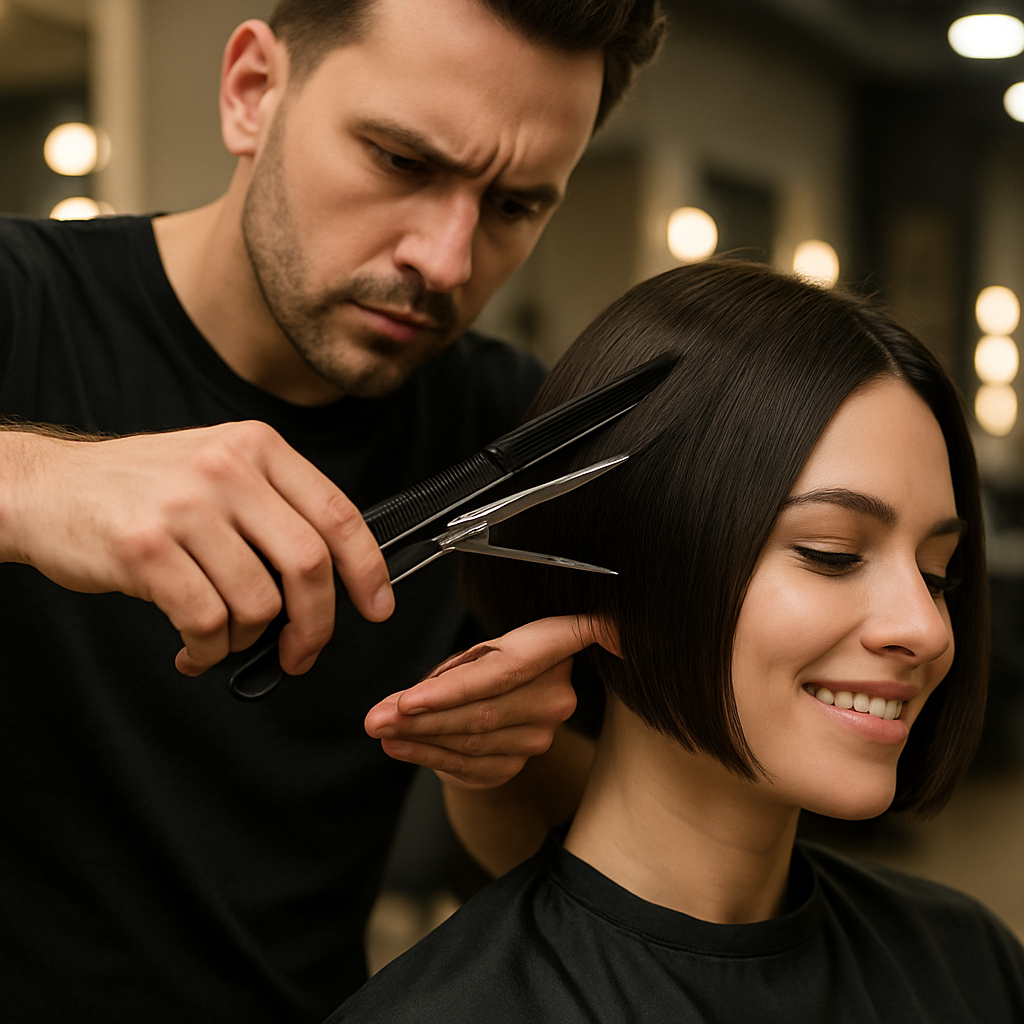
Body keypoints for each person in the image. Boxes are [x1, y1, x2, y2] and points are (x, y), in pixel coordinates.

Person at [0, 1, 665, 1020]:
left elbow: (577, 866)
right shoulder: (23, 304)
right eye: (402, 161)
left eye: (514, 207)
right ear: (252, 92)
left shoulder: (520, 430)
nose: (444, 262)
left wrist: (494, 766)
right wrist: (34, 483)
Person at [328, 258, 1024, 1022]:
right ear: (632, 570)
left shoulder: (971, 965)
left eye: (939, 575)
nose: (925, 629)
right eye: (832, 554)